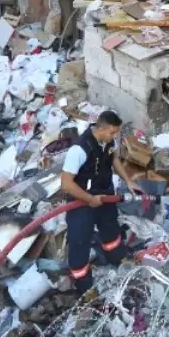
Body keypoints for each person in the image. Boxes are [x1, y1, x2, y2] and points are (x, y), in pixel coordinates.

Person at [60, 111, 142, 295]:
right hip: (82, 202)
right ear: (102, 129)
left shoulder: (107, 142)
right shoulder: (79, 150)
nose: (115, 136)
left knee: (111, 230)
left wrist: (128, 181)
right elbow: (66, 184)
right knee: (79, 241)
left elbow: (113, 160)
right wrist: (89, 199)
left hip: (105, 195)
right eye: (113, 132)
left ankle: (116, 258)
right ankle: (84, 286)